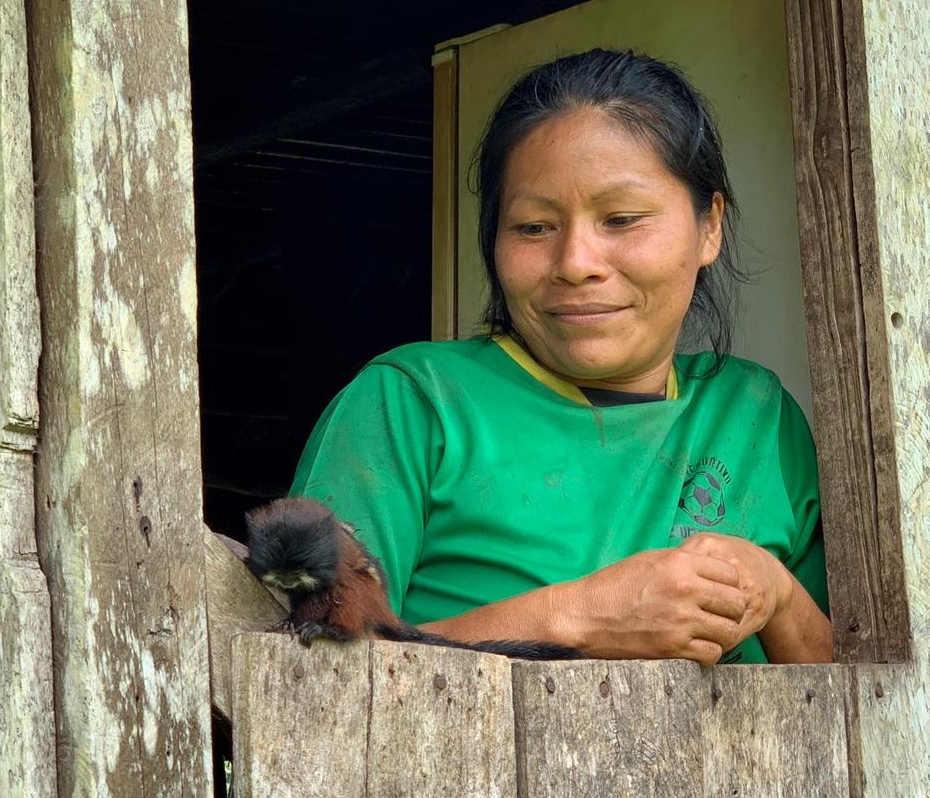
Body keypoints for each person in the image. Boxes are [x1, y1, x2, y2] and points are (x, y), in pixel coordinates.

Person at [290, 49, 831, 665]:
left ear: (709, 226)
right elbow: (316, 675)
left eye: (622, 219)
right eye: (533, 228)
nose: (576, 263)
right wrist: (577, 618)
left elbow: (866, 703)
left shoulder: (759, 418)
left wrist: (779, 595)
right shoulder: (410, 406)